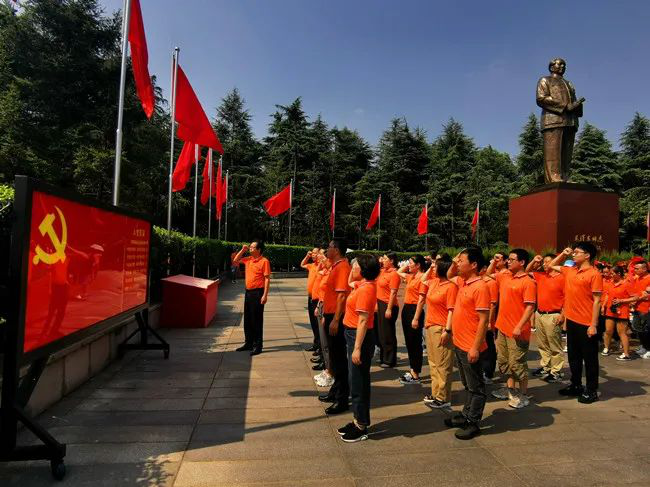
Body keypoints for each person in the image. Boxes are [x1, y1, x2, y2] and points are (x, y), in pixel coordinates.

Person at [445, 247, 491, 440]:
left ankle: (473, 421)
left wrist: (475, 347)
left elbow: (483, 320)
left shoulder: (480, 287)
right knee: (467, 384)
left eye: (461, 260)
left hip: (470, 345)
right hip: (460, 343)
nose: (458, 263)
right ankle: (466, 414)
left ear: (473, 265)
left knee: (476, 387)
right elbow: (449, 275)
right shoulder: (463, 282)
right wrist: (456, 260)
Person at [549, 242, 603, 404]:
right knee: (573, 356)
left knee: (590, 359)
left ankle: (591, 390)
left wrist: (593, 325)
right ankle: (576, 384)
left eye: (577, 252)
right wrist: (563, 254)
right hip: (572, 321)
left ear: (587, 255)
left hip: (587, 323)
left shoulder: (594, 274)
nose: (574, 254)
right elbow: (551, 265)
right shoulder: (570, 270)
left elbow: (597, 301)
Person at [336, 254, 380, 443]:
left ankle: (361, 425)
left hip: (358, 336)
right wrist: (350, 267)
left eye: (355, 266)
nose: (352, 268)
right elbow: (349, 282)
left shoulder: (366, 289)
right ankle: (357, 419)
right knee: (355, 379)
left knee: (358, 382)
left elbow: (363, 321)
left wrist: (357, 348)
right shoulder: (361, 285)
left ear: (362, 271)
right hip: (353, 334)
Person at [488, 249, 536, 409]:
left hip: (517, 331)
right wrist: (495, 261)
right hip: (502, 327)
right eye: (508, 259)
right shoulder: (505, 276)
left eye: (512, 259)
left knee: (517, 364)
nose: (508, 262)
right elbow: (488, 274)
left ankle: (523, 395)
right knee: (504, 362)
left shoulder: (528, 282)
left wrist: (519, 326)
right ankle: (510, 390)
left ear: (522, 262)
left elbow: (530, 307)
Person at [417, 258, 457, 409]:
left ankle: (443, 397)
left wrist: (448, 330)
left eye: (435, 266)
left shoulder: (451, 287)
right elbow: (422, 279)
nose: (433, 268)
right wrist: (431, 267)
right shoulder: (434, 282)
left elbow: (451, 310)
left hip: (441, 328)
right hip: (430, 326)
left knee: (443, 364)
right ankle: (435, 393)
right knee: (433, 363)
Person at [319, 239, 352, 415]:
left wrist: (336, 320)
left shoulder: (342, 268)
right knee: (334, 356)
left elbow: (341, 296)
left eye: (329, 247)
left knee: (339, 359)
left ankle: (342, 399)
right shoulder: (336, 266)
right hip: (331, 315)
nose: (327, 249)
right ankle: (335, 391)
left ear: (337, 250)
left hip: (337, 317)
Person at [527, 253, 566, 382]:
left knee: (554, 345)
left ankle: (556, 371)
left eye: (547, 261)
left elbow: (567, 298)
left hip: (553, 315)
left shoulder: (563, 278)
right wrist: (534, 260)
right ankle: (546, 367)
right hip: (540, 314)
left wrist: (562, 315)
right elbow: (526, 271)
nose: (544, 264)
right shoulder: (541, 276)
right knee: (542, 344)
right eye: (543, 262)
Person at [233, 241, 271, 355]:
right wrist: (242, 250)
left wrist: (265, 295)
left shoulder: (264, 261)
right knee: (248, 319)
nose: (250, 248)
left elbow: (267, 279)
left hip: (258, 293)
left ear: (259, 250)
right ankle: (248, 342)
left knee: (257, 320)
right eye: (250, 247)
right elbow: (235, 261)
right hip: (248, 292)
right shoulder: (248, 259)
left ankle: (257, 345)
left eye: (253, 247)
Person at [396, 255, 427, 384]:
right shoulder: (411, 277)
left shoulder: (423, 278)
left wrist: (416, 318)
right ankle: (412, 370)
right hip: (407, 309)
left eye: (411, 263)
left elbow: (421, 300)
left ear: (418, 265)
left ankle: (416, 374)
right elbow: (398, 272)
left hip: (415, 311)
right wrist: (407, 265)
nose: (408, 265)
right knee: (409, 342)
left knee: (415, 343)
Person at [375, 252, 401, 368]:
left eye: (385, 259)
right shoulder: (383, 271)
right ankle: (383, 357)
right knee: (381, 332)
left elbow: (393, 292)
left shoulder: (394, 274)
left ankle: (390, 360)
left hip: (388, 305)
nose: (383, 260)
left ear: (391, 261)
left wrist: (389, 308)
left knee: (388, 333)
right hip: (380, 303)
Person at [601, 265, 633, 361]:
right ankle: (606, 348)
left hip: (622, 312)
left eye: (612, 273)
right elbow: (607, 295)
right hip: (610, 311)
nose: (610, 275)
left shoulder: (626, 284)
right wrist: (603, 306)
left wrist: (621, 300)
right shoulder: (611, 283)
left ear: (619, 273)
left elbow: (635, 297)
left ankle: (626, 354)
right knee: (608, 331)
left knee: (622, 333)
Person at [300, 247, 322, 353]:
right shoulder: (312, 265)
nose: (313, 255)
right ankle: (316, 344)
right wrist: (307, 256)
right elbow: (302, 264)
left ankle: (320, 346)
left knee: (318, 324)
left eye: (315, 253)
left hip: (317, 299)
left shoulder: (321, 266)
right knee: (313, 323)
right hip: (310, 298)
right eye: (312, 253)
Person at [630, 260, 650, 358]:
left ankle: (648, 349)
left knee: (647, 329)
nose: (635, 270)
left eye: (637, 268)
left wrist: (635, 299)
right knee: (637, 327)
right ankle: (644, 346)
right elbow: (638, 292)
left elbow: (646, 295)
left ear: (645, 269)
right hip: (637, 307)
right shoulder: (638, 278)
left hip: (646, 309)